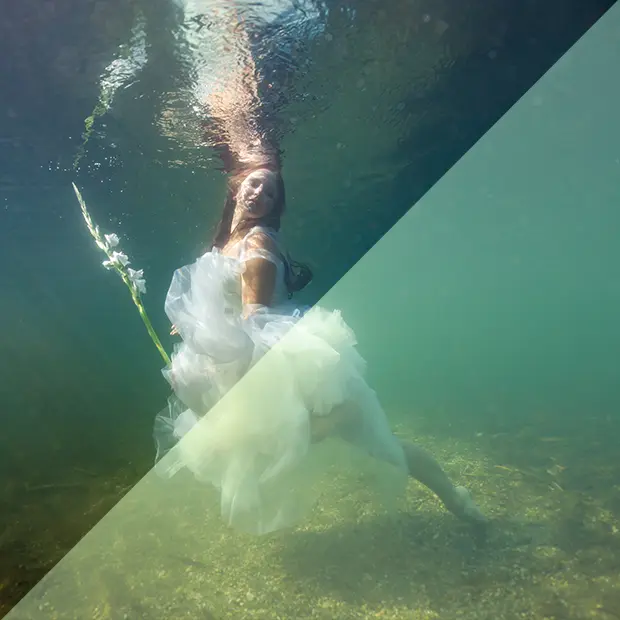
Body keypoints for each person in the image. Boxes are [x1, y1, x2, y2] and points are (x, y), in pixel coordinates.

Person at [154, 7, 487, 535]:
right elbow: (217, 293)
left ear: (273, 203)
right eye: (253, 182)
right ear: (236, 187)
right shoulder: (227, 240)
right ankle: (454, 496)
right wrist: (192, 321)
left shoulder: (259, 241)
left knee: (377, 444)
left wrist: (224, 366)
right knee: (364, 444)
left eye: (270, 188)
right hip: (264, 371)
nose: (259, 190)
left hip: (289, 368)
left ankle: (457, 498)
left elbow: (255, 319)